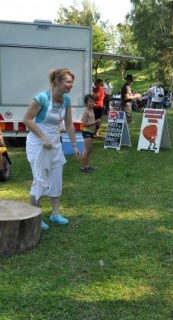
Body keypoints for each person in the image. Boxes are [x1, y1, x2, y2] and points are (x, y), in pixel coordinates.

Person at [23, 68, 81, 230]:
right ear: (57, 82)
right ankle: (36, 216)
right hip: (38, 145)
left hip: (55, 145)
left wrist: (75, 145)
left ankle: (55, 214)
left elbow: (68, 124)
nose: (71, 85)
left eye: (71, 82)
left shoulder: (66, 100)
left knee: (56, 179)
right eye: (68, 82)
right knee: (39, 179)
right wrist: (42, 137)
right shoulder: (42, 98)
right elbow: (27, 119)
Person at [80, 94, 101, 173]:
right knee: (86, 150)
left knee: (89, 150)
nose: (92, 103)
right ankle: (82, 167)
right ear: (86, 103)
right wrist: (95, 122)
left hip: (91, 132)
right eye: (90, 101)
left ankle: (87, 166)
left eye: (93, 101)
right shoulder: (85, 111)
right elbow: (84, 124)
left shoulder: (92, 110)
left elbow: (91, 121)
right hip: (87, 132)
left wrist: (96, 123)